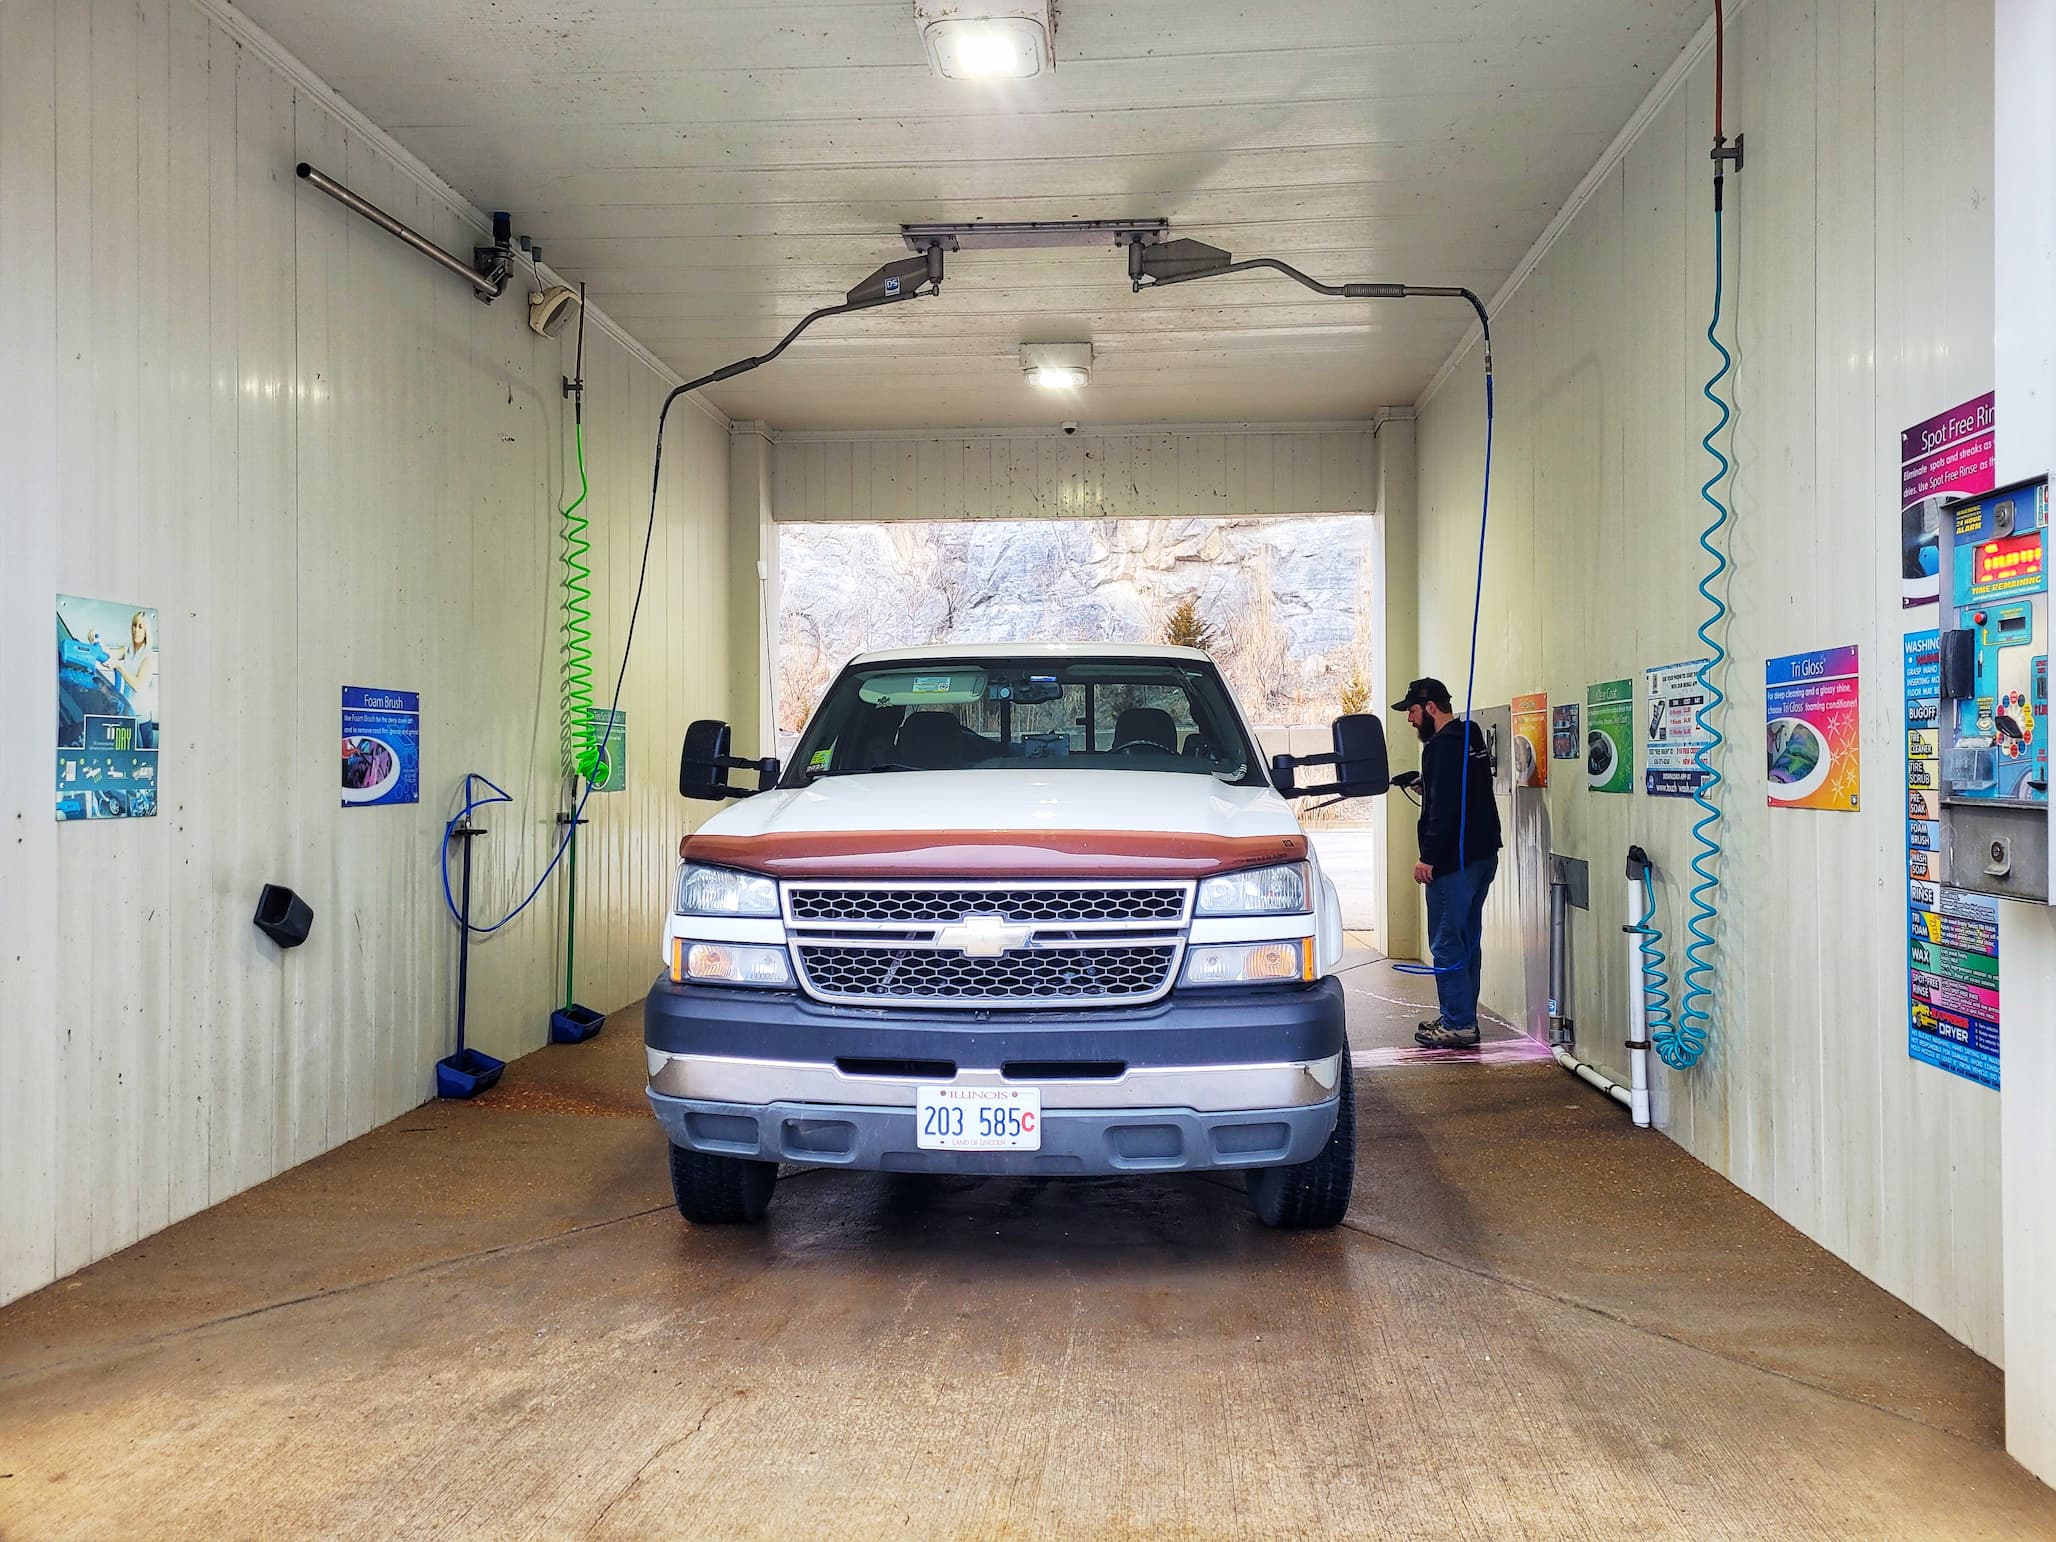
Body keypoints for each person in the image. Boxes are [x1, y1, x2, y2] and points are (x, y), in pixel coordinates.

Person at [1393, 677, 1502, 1049]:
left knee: (1446, 943)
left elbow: (1446, 810)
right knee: (1467, 939)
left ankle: (1457, 1024)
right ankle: (1462, 1017)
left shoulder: (1439, 748)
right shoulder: (1470, 736)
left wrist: (1428, 857)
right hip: (1483, 856)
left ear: (1431, 708)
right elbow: (1463, 789)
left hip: (1453, 861)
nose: (1409, 719)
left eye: (1412, 710)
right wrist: (1430, 784)